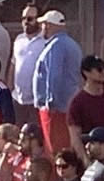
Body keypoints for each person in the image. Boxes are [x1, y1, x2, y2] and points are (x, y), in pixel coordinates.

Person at [34, 9, 84, 154]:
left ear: (49, 25)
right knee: (67, 145)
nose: (41, 27)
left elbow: (53, 76)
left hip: (55, 109)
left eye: (43, 24)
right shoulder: (72, 44)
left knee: (54, 148)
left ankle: (57, 176)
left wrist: (51, 102)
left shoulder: (55, 45)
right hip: (69, 103)